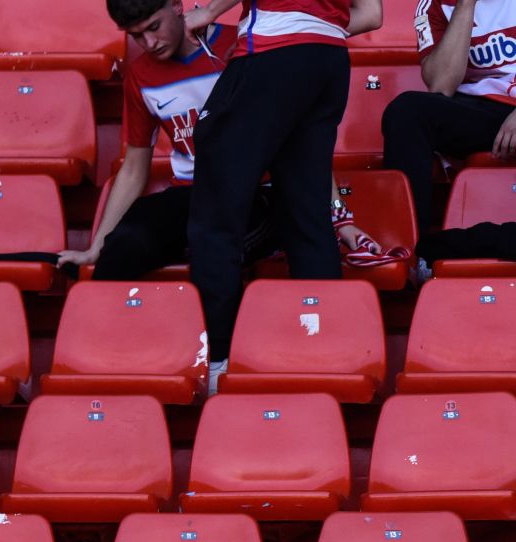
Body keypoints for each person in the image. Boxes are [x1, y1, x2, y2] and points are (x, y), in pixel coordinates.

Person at [61, 0, 381, 280]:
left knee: (216, 248)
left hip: (256, 196)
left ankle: (226, 346)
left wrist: (340, 218)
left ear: (177, 7)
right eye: (136, 36)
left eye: (154, 27)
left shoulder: (245, 49)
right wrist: (95, 248)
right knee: (122, 249)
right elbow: (133, 169)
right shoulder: (140, 76)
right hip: (190, 195)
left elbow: (304, 148)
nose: (149, 42)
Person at [184, 0, 356, 390]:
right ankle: (324, 357)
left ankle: (219, 362)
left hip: (273, 45)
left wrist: (208, 12)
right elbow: (372, 14)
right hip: (329, 54)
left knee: (215, 217)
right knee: (307, 215)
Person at [384, 0, 516, 234]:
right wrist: (466, 5)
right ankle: (414, 250)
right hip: (482, 111)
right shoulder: (434, 4)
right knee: (407, 111)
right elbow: (441, 85)